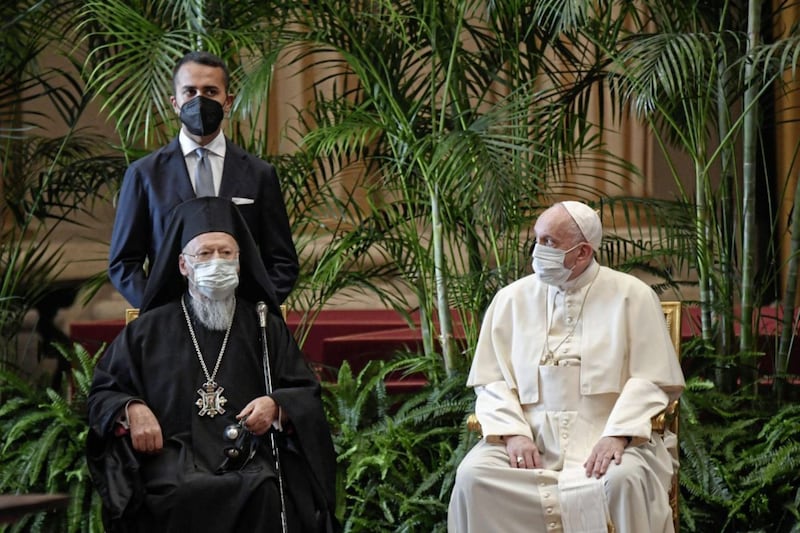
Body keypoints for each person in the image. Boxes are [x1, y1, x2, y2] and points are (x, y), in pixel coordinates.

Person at [88, 197, 337, 532]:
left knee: (265, 491)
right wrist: (130, 408)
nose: (216, 262)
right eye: (204, 254)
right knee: (179, 493)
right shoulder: (148, 330)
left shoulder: (263, 324)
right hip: (173, 458)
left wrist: (277, 405)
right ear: (182, 265)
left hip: (249, 456)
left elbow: (305, 392)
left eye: (226, 253)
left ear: (239, 261)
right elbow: (104, 392)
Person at [448, 201, 685, 533]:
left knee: (623, 481)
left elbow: (652, 379)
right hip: (530, 439)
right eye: (537, 239)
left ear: (583, 252)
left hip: (608, 437)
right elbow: (492, 380)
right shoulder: (511, 299)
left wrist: (617, 436)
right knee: (474, 477)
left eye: (548, 242)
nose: (536, 250)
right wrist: (514, 434)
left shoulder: (633, 297)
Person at [108, 50, 298, 309]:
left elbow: (282, 260)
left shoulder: (259, 174)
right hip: (169, 322)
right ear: (175, 103)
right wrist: (156, 311)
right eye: (190, 92)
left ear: (227, 101)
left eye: (210, 92)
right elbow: (123, 263)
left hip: (242, 322)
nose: (199, 101)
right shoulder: (144, 175)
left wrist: (256, 310)